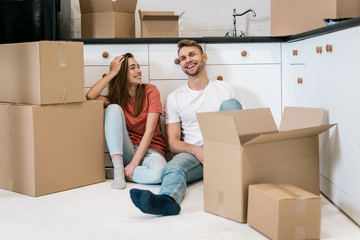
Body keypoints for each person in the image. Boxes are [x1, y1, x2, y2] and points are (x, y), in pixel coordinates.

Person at [129, 39, 243, 215]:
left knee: (231, 104)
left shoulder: (226, 89)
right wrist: (196, 150)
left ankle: (238, 172)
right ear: (180, 64)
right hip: (195, 154)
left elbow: (242, 129)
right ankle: (167, 201)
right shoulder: (175, 98)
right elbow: (173, 143)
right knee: (172, 168)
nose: (187, 60)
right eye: (183, 58)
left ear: (204, 57)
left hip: (224, 150)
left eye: (192, 55)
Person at [86, 53, 167, 190]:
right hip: (128, 150)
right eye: (132, 68)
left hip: (151, 150)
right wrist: (112, 72)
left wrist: (134, 164)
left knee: (158, 175)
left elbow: (150, 131)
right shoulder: (117, 98)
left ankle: (118, 173)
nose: (139, 71)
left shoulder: (151, 91)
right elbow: (90, 97)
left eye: (138, 67)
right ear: (122, 74)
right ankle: (119, 169)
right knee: (113, 109)